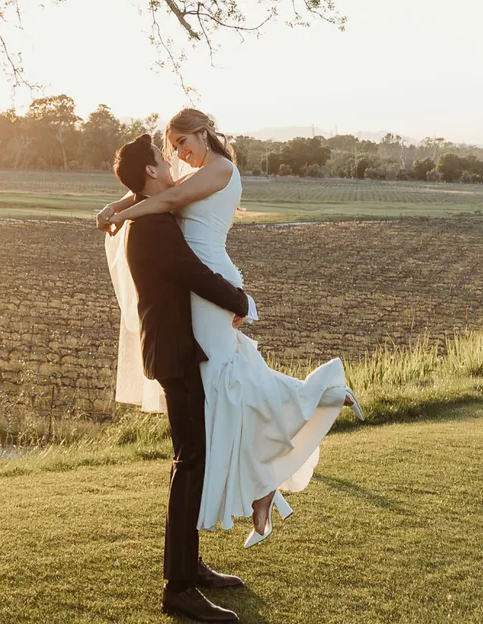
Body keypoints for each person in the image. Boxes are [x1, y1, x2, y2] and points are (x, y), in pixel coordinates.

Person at [101, 108, 360, 554]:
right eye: (174, 148)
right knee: (228, 384)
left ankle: (321, 394)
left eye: (184, 142)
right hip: (204, 283)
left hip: (208, 281)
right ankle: (263, 489)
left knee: (227, 383)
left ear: (203, 133)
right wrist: (120, 204)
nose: (180, 154)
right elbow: (159, 189)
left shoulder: (221, 168)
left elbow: (163, 199)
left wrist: (123, 213)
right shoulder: (196, 171)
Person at [103, 130, 258, 624]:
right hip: (173, 354)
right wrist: (242, 301)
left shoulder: (151, 216)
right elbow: (193, 273)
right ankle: (179, 588)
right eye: (161, 157)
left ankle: (189, 566)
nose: (171, 161)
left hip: (176, 350)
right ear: (151, 171)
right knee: (189, 460)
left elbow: (160, 197)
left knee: (192, 458)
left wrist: (119, 204)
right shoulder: (152, 227)